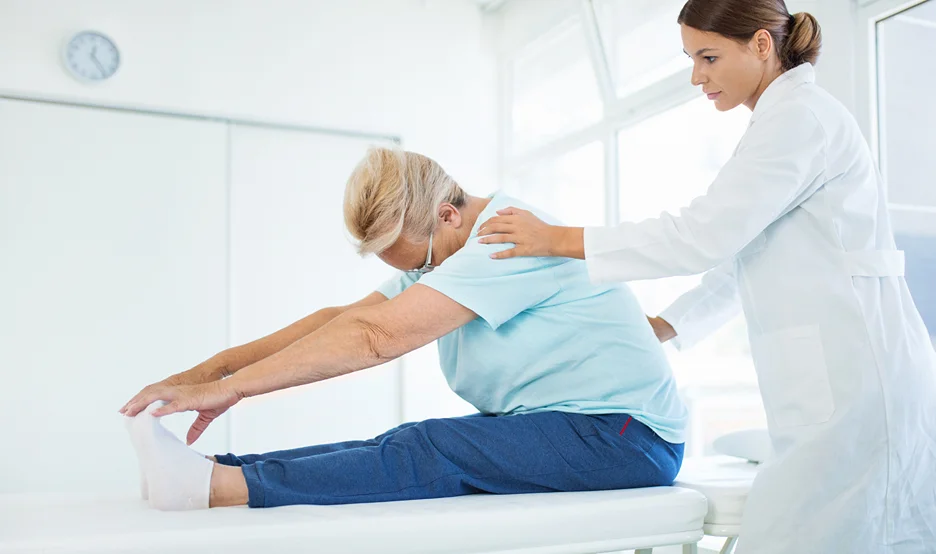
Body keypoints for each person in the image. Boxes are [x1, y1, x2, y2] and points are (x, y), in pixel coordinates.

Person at [476, 1, 936, 552]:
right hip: (831, 384)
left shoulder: (801, 119)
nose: (697, 76)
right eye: (692, 58)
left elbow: (703, 234)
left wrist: (558, 239)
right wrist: (666, 325)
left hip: (859, 382)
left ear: (762, 45)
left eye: (709, 57)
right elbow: (742, 251)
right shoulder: (780, 122)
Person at [119, 147, 688, 511]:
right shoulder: (451, 244)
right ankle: (212, 472)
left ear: (447, 214)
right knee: (397, 444)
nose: (420, 276)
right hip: (567, 424)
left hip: (629, 437)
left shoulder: (505, 240)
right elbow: (343, 321)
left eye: (422, 263)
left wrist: (229, 390)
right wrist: (209, 372)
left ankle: (216, 490)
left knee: (428, 446)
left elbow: (377, 337)